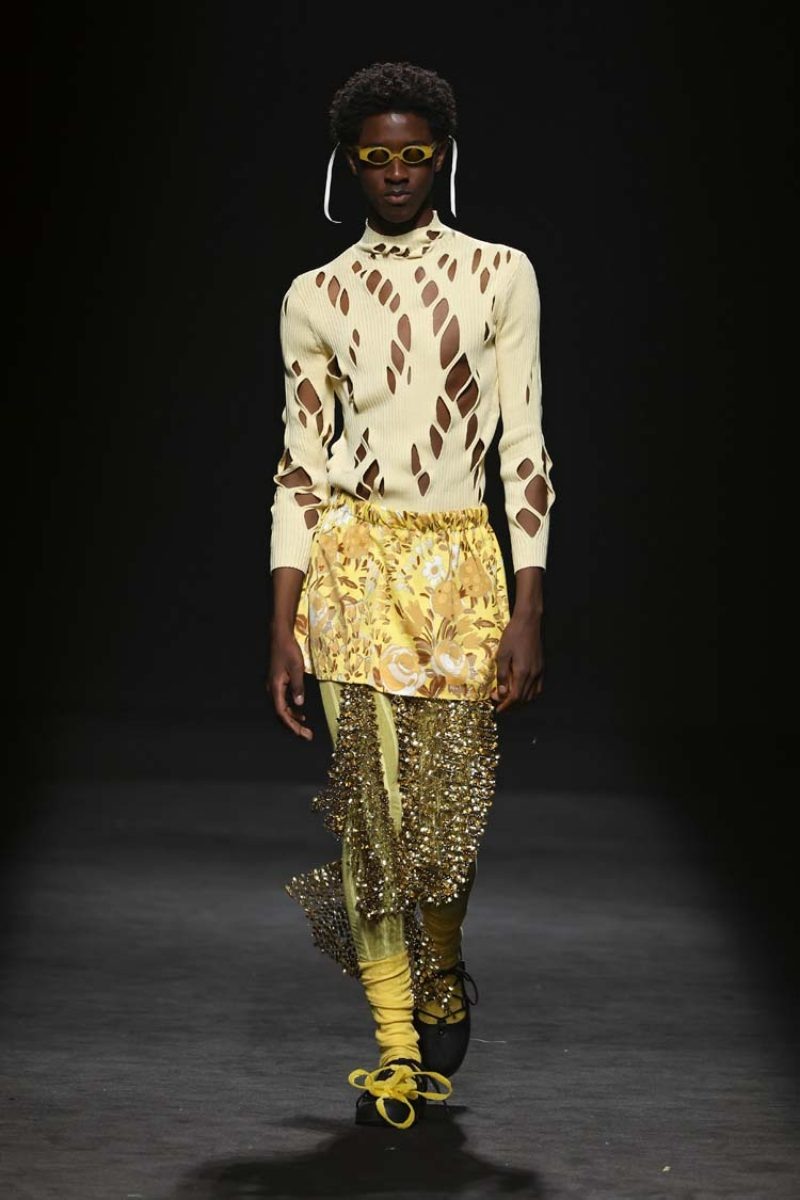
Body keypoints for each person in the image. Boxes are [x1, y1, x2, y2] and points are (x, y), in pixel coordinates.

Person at [268, 61, 555, 1130]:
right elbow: (299, 468)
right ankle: (395, 1042)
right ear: (348, 164)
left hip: (461, 570)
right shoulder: (315, 295)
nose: (395, 173)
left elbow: (523, 446)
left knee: (447, 820)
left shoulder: (500, 274)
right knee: (369, 816)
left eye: (414, 154)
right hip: (349, 568)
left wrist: (528, 605)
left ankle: (441, 958)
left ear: (442, 157)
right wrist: (281, 621)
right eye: (375, 157)